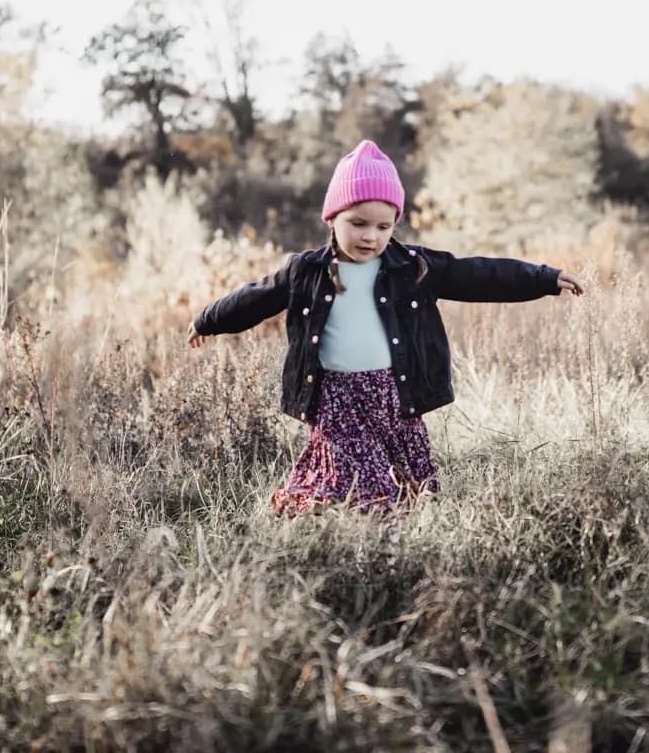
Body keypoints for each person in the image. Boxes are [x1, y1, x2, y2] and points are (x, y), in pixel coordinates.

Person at [187, 139, 585, 515]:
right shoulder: (306, 271)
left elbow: (479, 275)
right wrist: (209, 319)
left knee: (411, 492)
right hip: (337, 399)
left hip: (396, 394)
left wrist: (543, 279)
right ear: (333, 218)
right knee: (365, 487)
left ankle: (394, 549)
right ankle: (351, 543)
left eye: (383, 226)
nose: (370, 236)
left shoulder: (413, 268)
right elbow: (256, 297)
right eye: (358, 223)